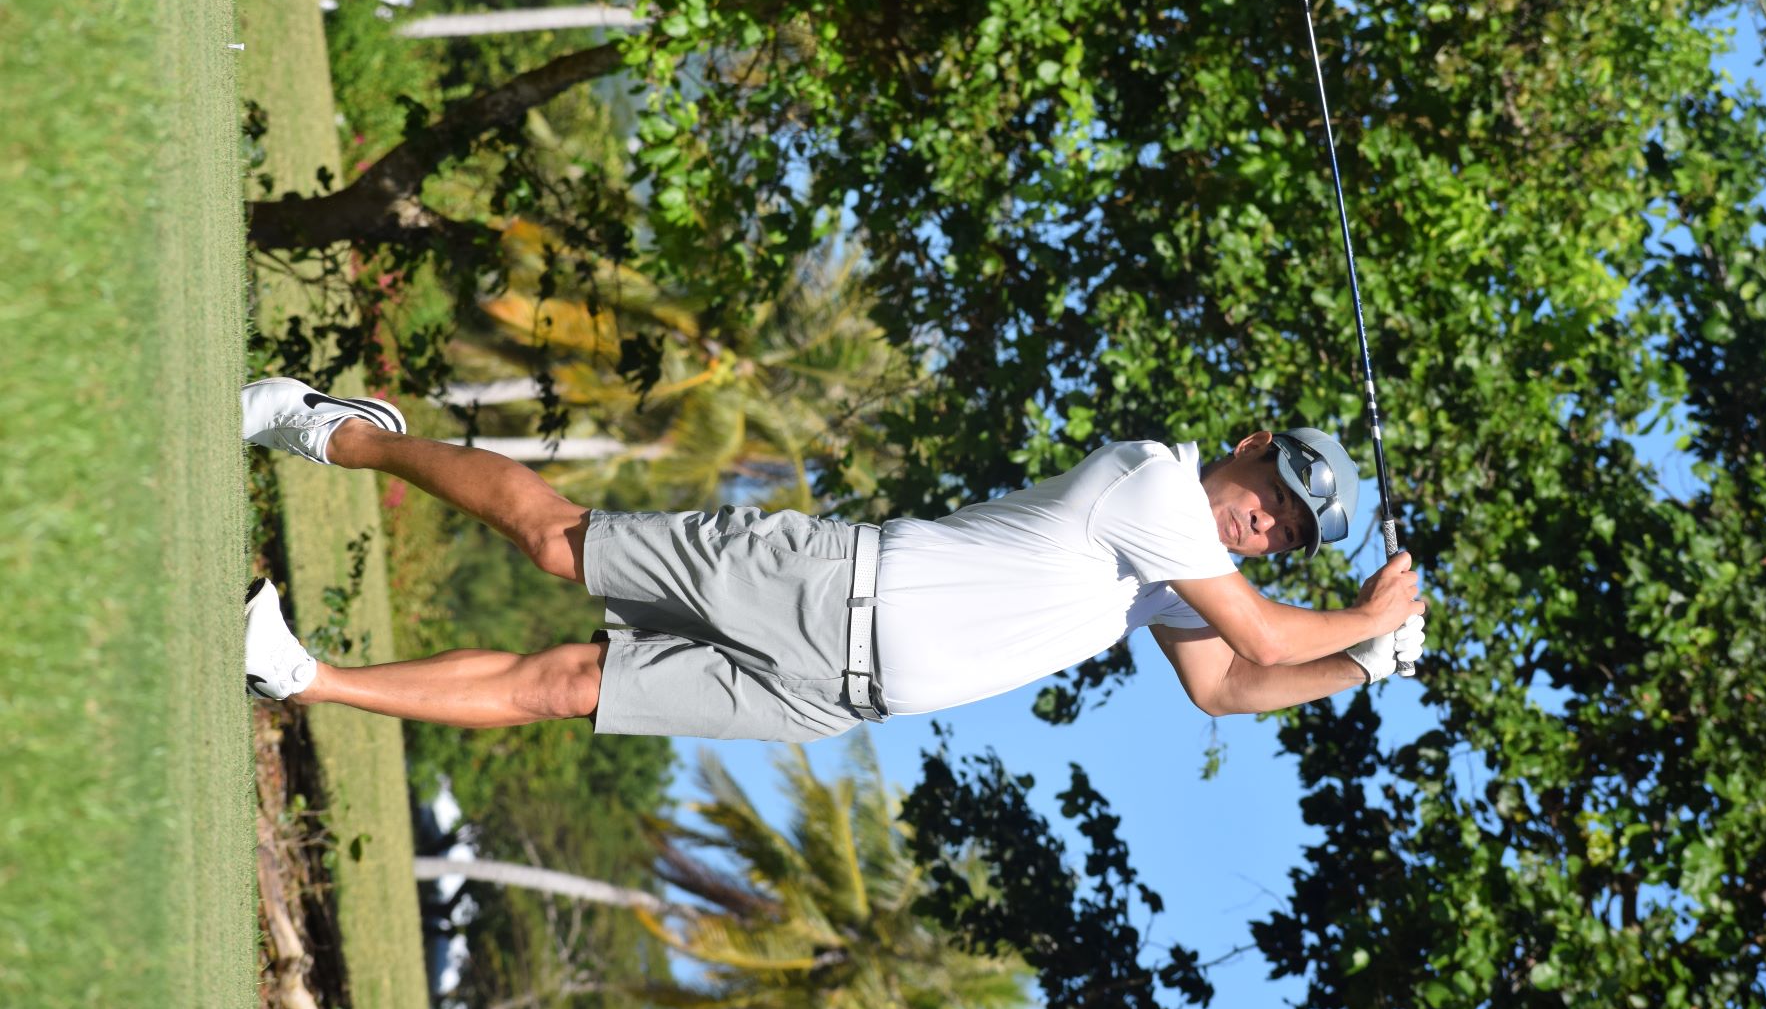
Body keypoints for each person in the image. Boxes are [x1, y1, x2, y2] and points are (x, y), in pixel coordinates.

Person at [242, 377, 1427, 741]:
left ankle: (300, 676)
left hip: (832, 697)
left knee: (568, 686)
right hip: (821, 583)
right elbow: (1267, 633)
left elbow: (1230, 682)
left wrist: (1362, 671)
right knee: (562, 546)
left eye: (1281, 531)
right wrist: (1367, 620)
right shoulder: (1157, 486)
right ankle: (342, 431)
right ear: (1250, 449)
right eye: (1268, 498)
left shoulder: (1170, 582)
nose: (1260, 527)